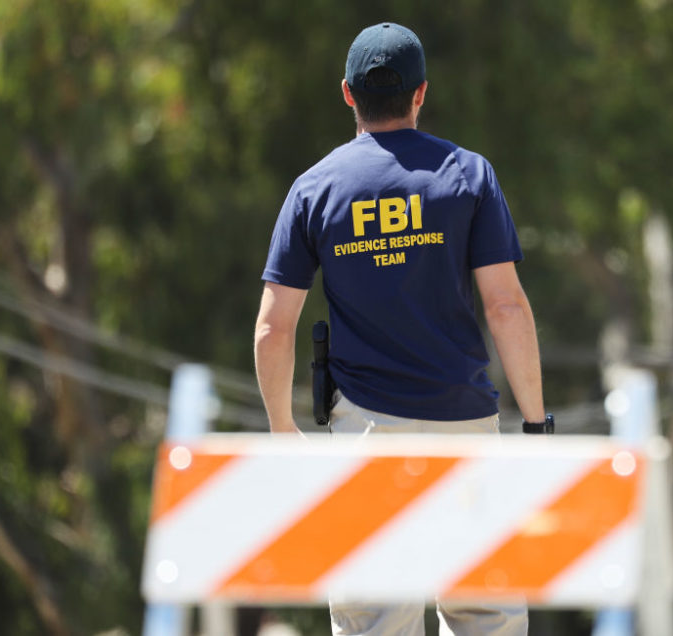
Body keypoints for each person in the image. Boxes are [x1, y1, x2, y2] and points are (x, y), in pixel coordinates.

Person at [254, 21, 549, 636]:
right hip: (466, 427)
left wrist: (282, 429)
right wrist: (534, 423)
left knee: (377, 622)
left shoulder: (314, 189)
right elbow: (506, 308)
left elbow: (273, 328)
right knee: (485, 617)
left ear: (347, 94)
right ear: (420, 94)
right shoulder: (470, 175)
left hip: (366, 435)